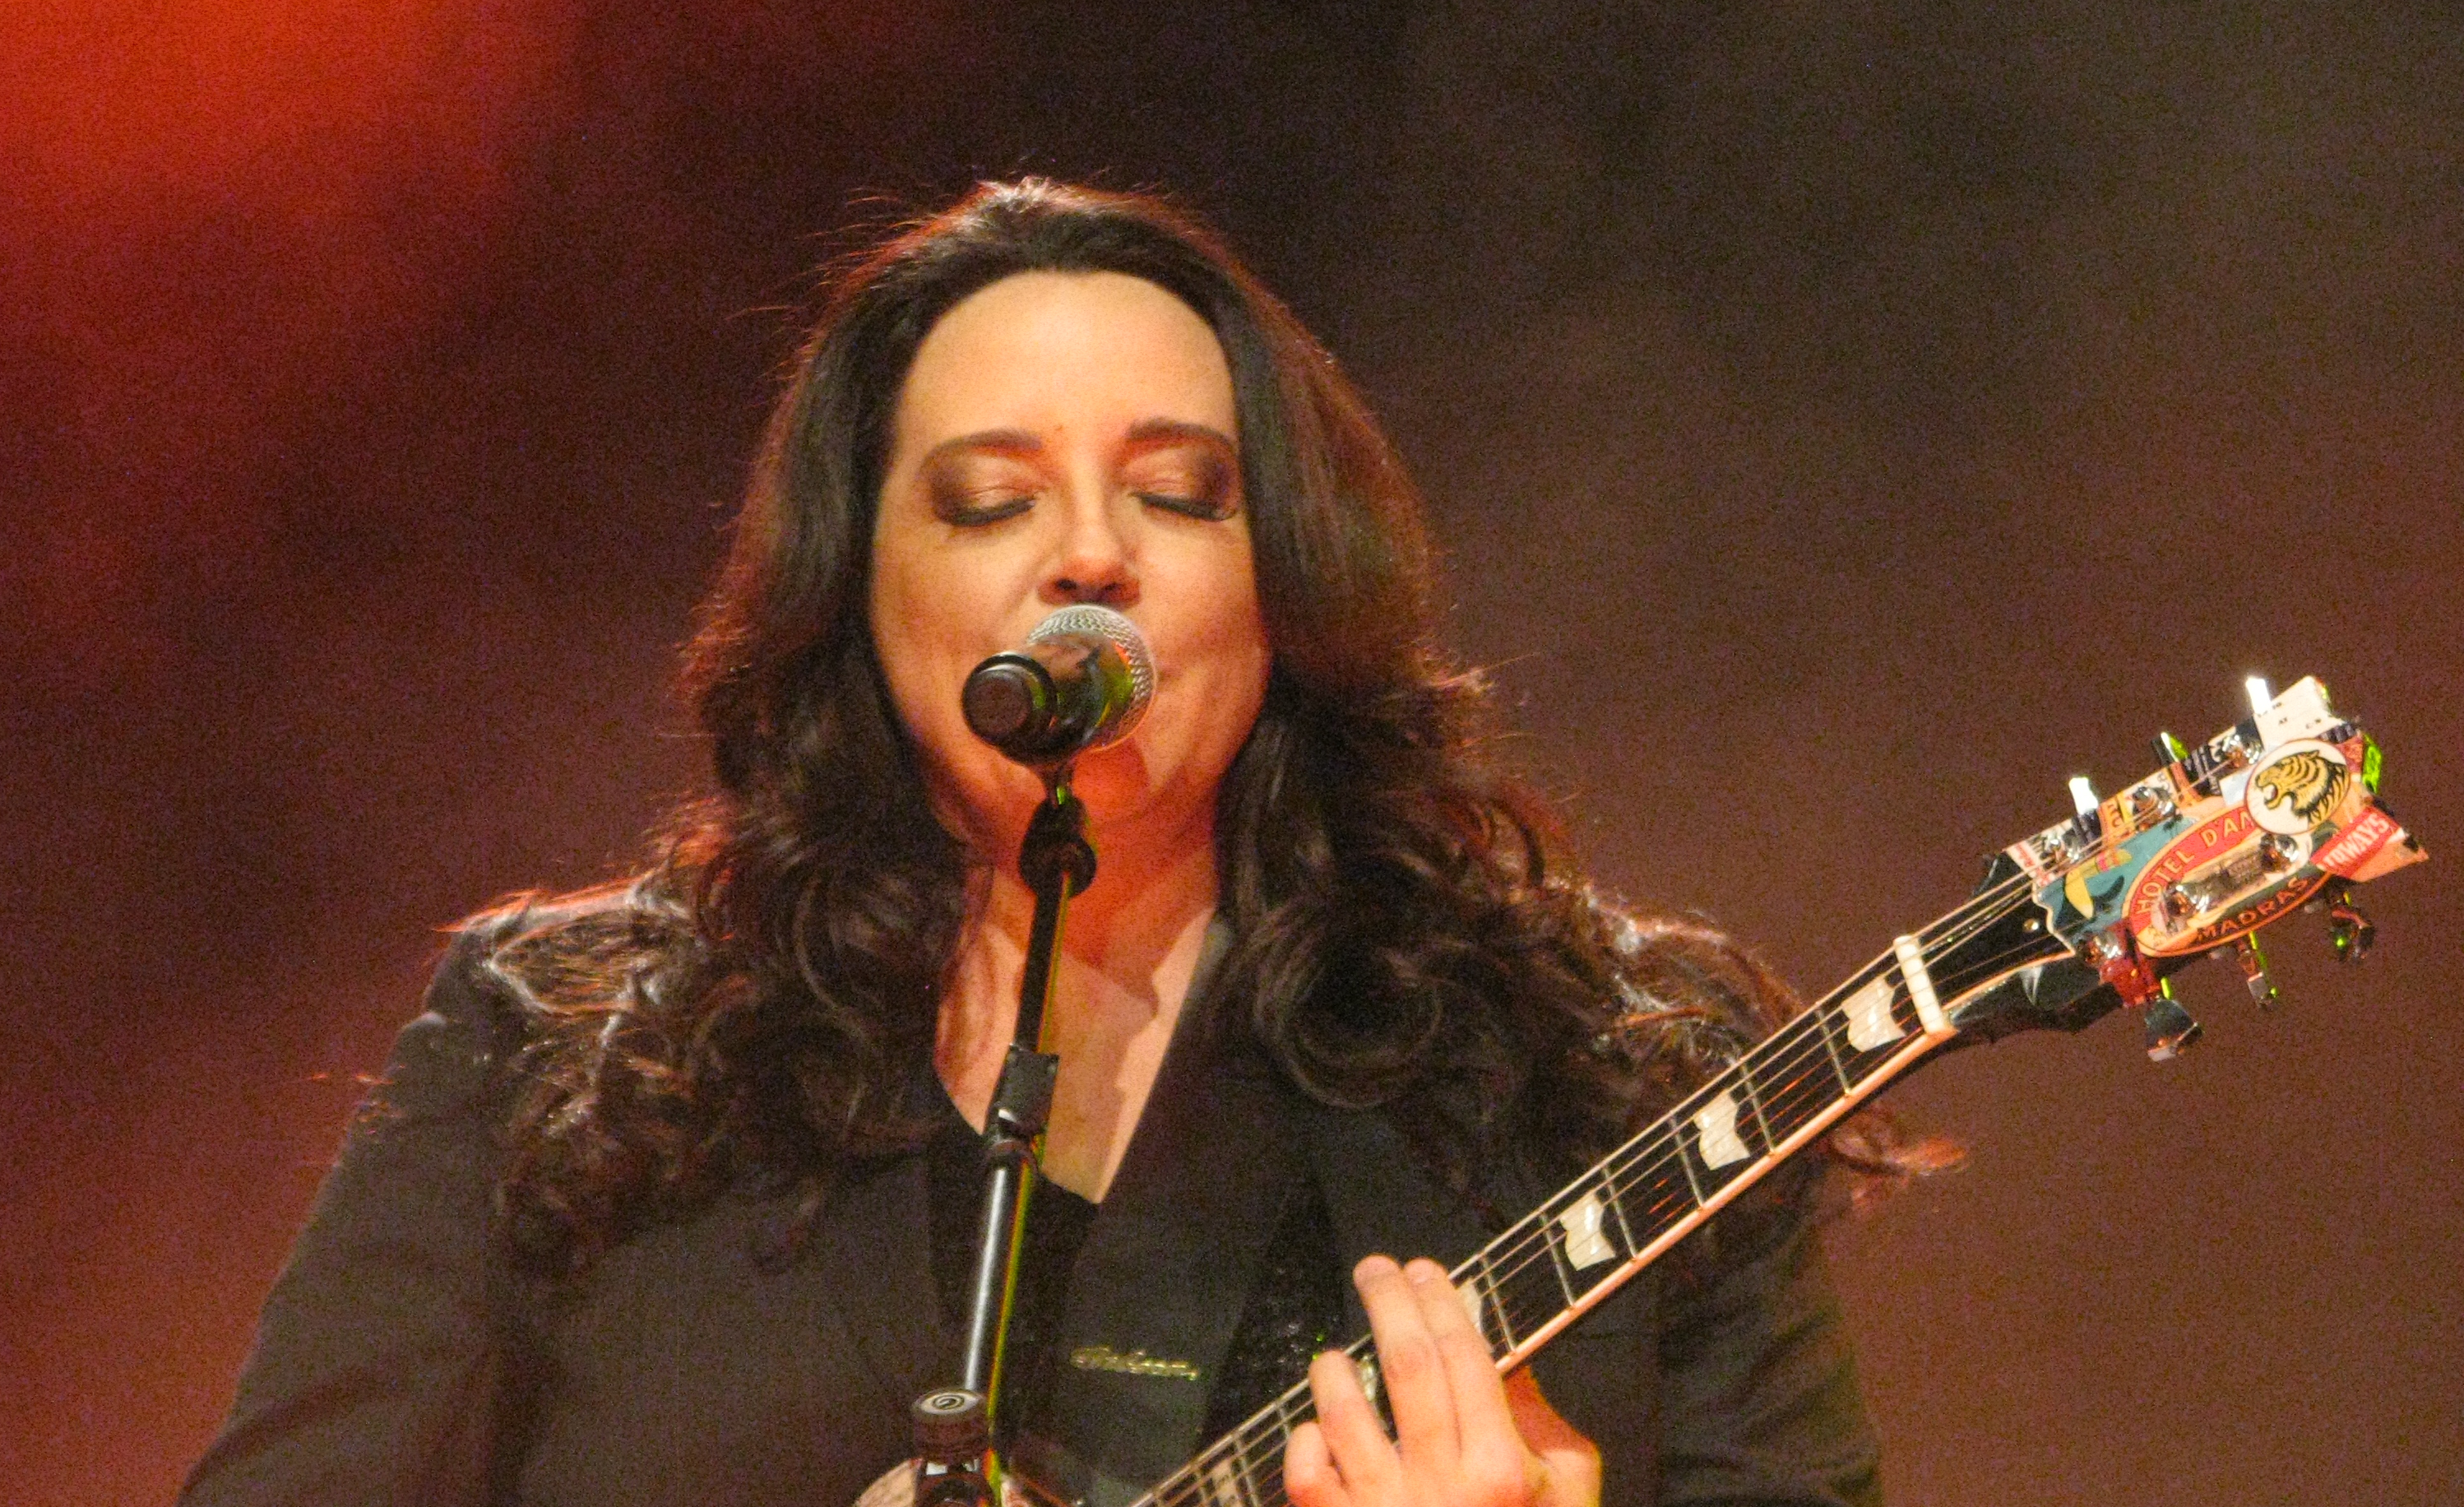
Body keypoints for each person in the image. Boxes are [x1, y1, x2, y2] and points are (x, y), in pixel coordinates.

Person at [181, 179, 1890, 1507]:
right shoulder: (552, 1051)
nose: (1089, 553)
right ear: (860, 588)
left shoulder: (1604, 1090)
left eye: (1179, 493)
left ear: (1288, 583)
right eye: (990, 499)